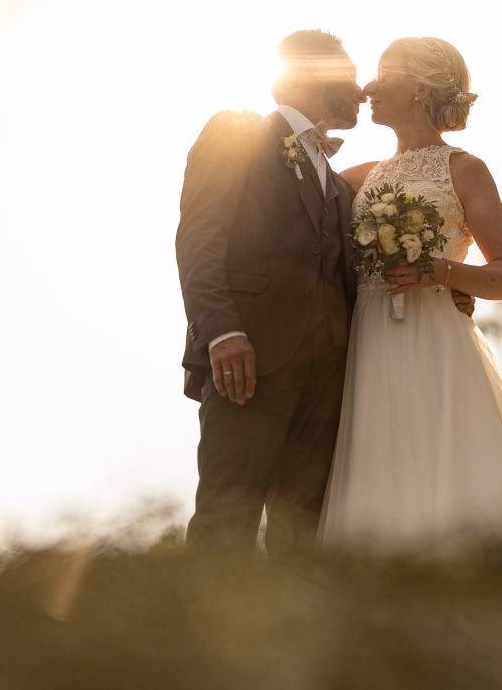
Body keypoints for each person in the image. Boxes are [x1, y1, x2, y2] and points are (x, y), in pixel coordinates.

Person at [175, 30, 474, 556]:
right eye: (353, 77)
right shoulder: (234, 134)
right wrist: (222, 332)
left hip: (330, 382)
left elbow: (357, 272)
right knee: (227, 521)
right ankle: (205, 637)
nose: (362, 91)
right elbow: (198, 241)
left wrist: (442, 287)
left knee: (305, 541)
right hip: (248, 366)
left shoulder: (340, 186)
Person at [318, 37, 502, 551]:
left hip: (434, 341)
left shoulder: (464, 169)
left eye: (383, 72)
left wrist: (439, 271)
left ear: (418, 89)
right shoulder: (355, 179)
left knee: (448, 472)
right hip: (366, 343)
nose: (369, 86)